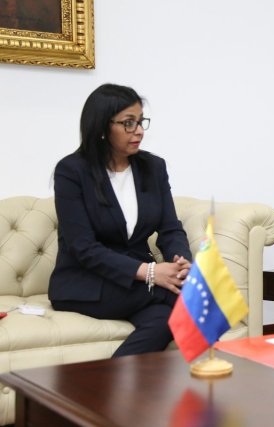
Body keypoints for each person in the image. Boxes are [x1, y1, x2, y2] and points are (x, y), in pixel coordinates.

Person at [49, 83, 193, 357]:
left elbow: (170, 228)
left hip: (136, 285)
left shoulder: (154, 167)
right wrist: (150, 272)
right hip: (85, 283)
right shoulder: (71, 172)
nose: (138, 130)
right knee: (183, 297)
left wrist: (180, 262)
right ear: (103, 128)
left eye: (140, 122)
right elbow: (83, 248)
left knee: (164, 320)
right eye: (128, 123)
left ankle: (103, 392)